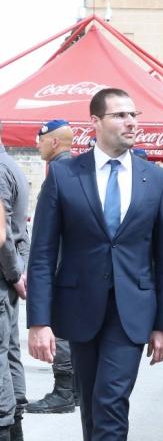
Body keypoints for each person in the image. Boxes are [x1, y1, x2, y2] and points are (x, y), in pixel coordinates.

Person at [27, 88, 163, 441]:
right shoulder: (65, 176)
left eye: (134, 115)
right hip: (80, 309)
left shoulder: (155, 179)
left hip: (132, 312)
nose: (131, 122)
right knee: (94, 407)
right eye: (120, 115)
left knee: (111, 401)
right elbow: (43, 255)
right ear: (95, 121)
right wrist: (38, 321)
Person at [27, 120, 80, 416]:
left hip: (60, 268)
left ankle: (63, 393)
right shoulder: (77, 171)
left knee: (60, 332)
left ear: (55, 142)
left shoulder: (58, 174)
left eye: (41, 139)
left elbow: (49, 236)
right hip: (74, 268)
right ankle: (76, 392)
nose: (37, 144)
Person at [0, 121, 30, 441]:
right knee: (8, 353)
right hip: (8, 275)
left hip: (3, 274)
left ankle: (7, 426)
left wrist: (14, 272)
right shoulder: (10, 164)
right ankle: (13, 422)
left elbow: (3, 234)